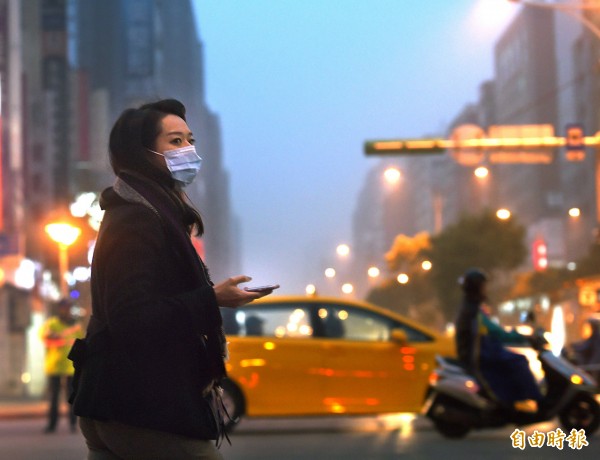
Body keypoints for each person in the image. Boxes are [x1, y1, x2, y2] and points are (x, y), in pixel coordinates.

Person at [68, 99, 277, 459]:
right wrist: (211, 299)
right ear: (141, 153)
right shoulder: (137, 219)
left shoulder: (150, 212)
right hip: (141, 407)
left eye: (190, 140)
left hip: (122, 402)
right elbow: (131, 316)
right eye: (175, 141)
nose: (189, 151)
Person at [454, 268, 543, 413]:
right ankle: (534, 401)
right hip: (480, 354)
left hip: (482, 350)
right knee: (518, 361)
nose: (486, 290)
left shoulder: (471, 308)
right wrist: (522, 337)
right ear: (476, 288)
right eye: (483, 286)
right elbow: (496, 333)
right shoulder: (472, 311)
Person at [40, 298, 83, 433]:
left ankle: (72, 424)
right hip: (55, 366)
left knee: (71, 396)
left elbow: (80, 342)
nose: (66, 310)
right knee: (54, 397)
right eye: (63, 307)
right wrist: (61, 337)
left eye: (67, 308)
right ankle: (52, 425)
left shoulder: (76, 326)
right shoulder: (52, 323)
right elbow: (45, 336)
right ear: (59, 309)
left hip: (70, 367)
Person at [571, 317, 600, 385]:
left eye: (586, 328)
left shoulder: (596, 340)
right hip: (587, 370)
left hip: (590, 372)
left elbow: (584, 348)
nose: (584, 330)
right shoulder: (591, 339)